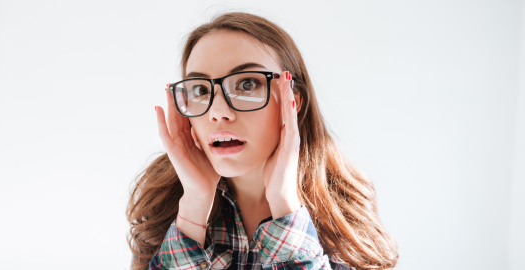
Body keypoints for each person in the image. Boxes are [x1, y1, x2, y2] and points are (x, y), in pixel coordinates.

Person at [127, 12, 398, 270]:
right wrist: (194, 207)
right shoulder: (161, 203)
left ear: (293, 102)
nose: (218, 112)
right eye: (200, 89)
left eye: (247, 84)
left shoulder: (345, 213)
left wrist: (284, 206)